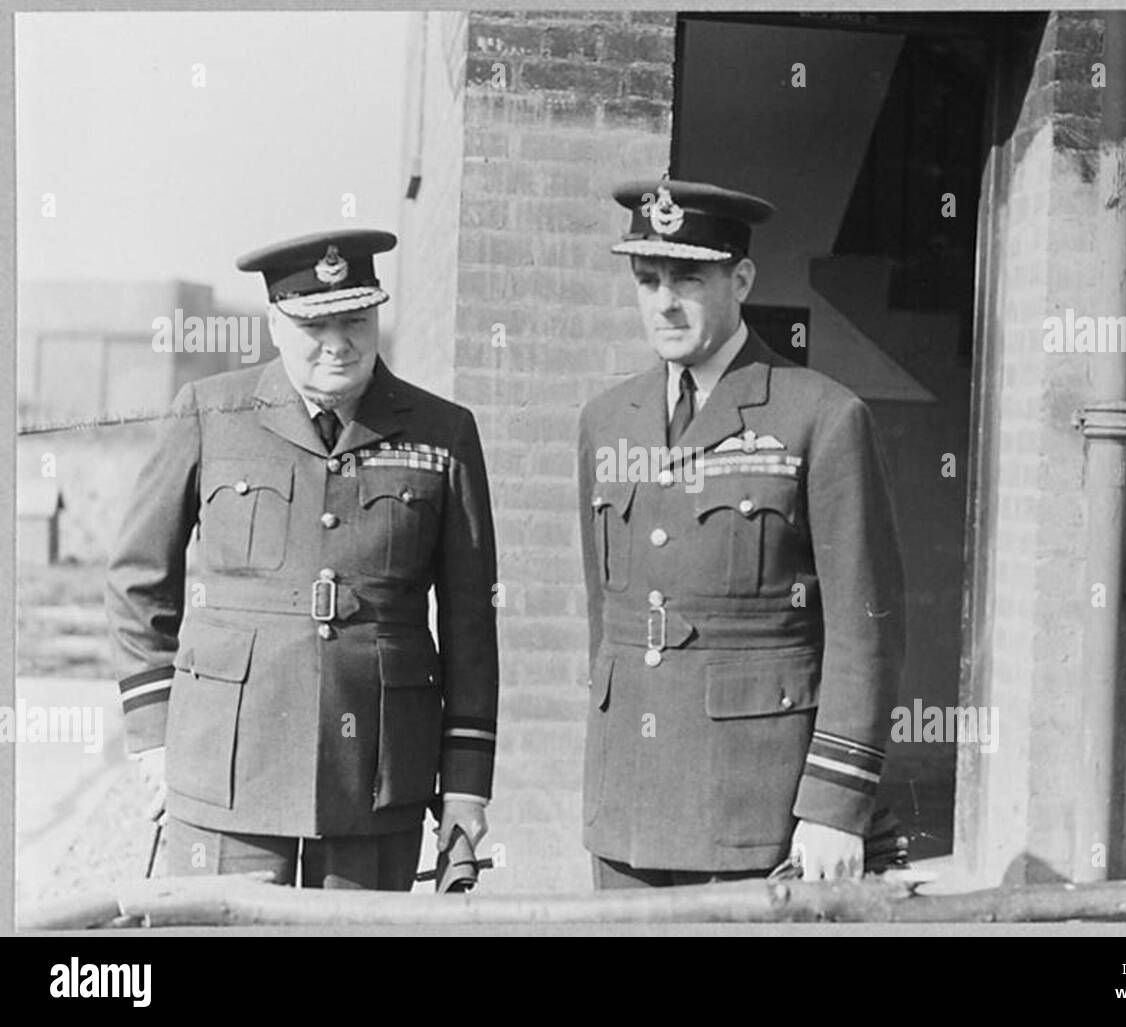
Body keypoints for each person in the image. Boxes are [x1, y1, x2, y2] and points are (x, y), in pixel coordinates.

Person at [106, 229, 499, 890]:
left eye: (355, 319)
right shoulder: (211, 412)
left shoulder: (444, 432)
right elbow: (138, 580)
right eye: (314, 324)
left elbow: (469, 624)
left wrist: (465, 785)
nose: (338, 343)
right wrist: (153, 738)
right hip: (229, 767)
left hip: (374, 777)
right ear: (275, 325)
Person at [577, 180, 907, 888]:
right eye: (648, 278)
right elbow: (603, 618)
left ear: (743, 279)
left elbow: (865, 627)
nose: (664, 301)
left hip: (756, 805)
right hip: (628, 801)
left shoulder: (819, 415)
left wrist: (835, 804)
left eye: (690, 277)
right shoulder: (606, 421)